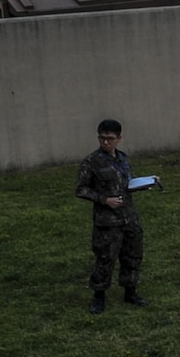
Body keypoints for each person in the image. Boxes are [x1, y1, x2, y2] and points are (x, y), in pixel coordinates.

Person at [76, 118, 145, 314]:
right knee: (105, 259)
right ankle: (99, 297)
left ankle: (130, 291)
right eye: (102, 138)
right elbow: (81, 189)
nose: (105, 142)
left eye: (110, 139)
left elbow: (127, 183)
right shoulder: (91, 162)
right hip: (107, 221)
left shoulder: (122, 159)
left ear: (119, 139)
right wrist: (104, 199)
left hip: (129, 217)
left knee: (132, 255)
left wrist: (145, 182)